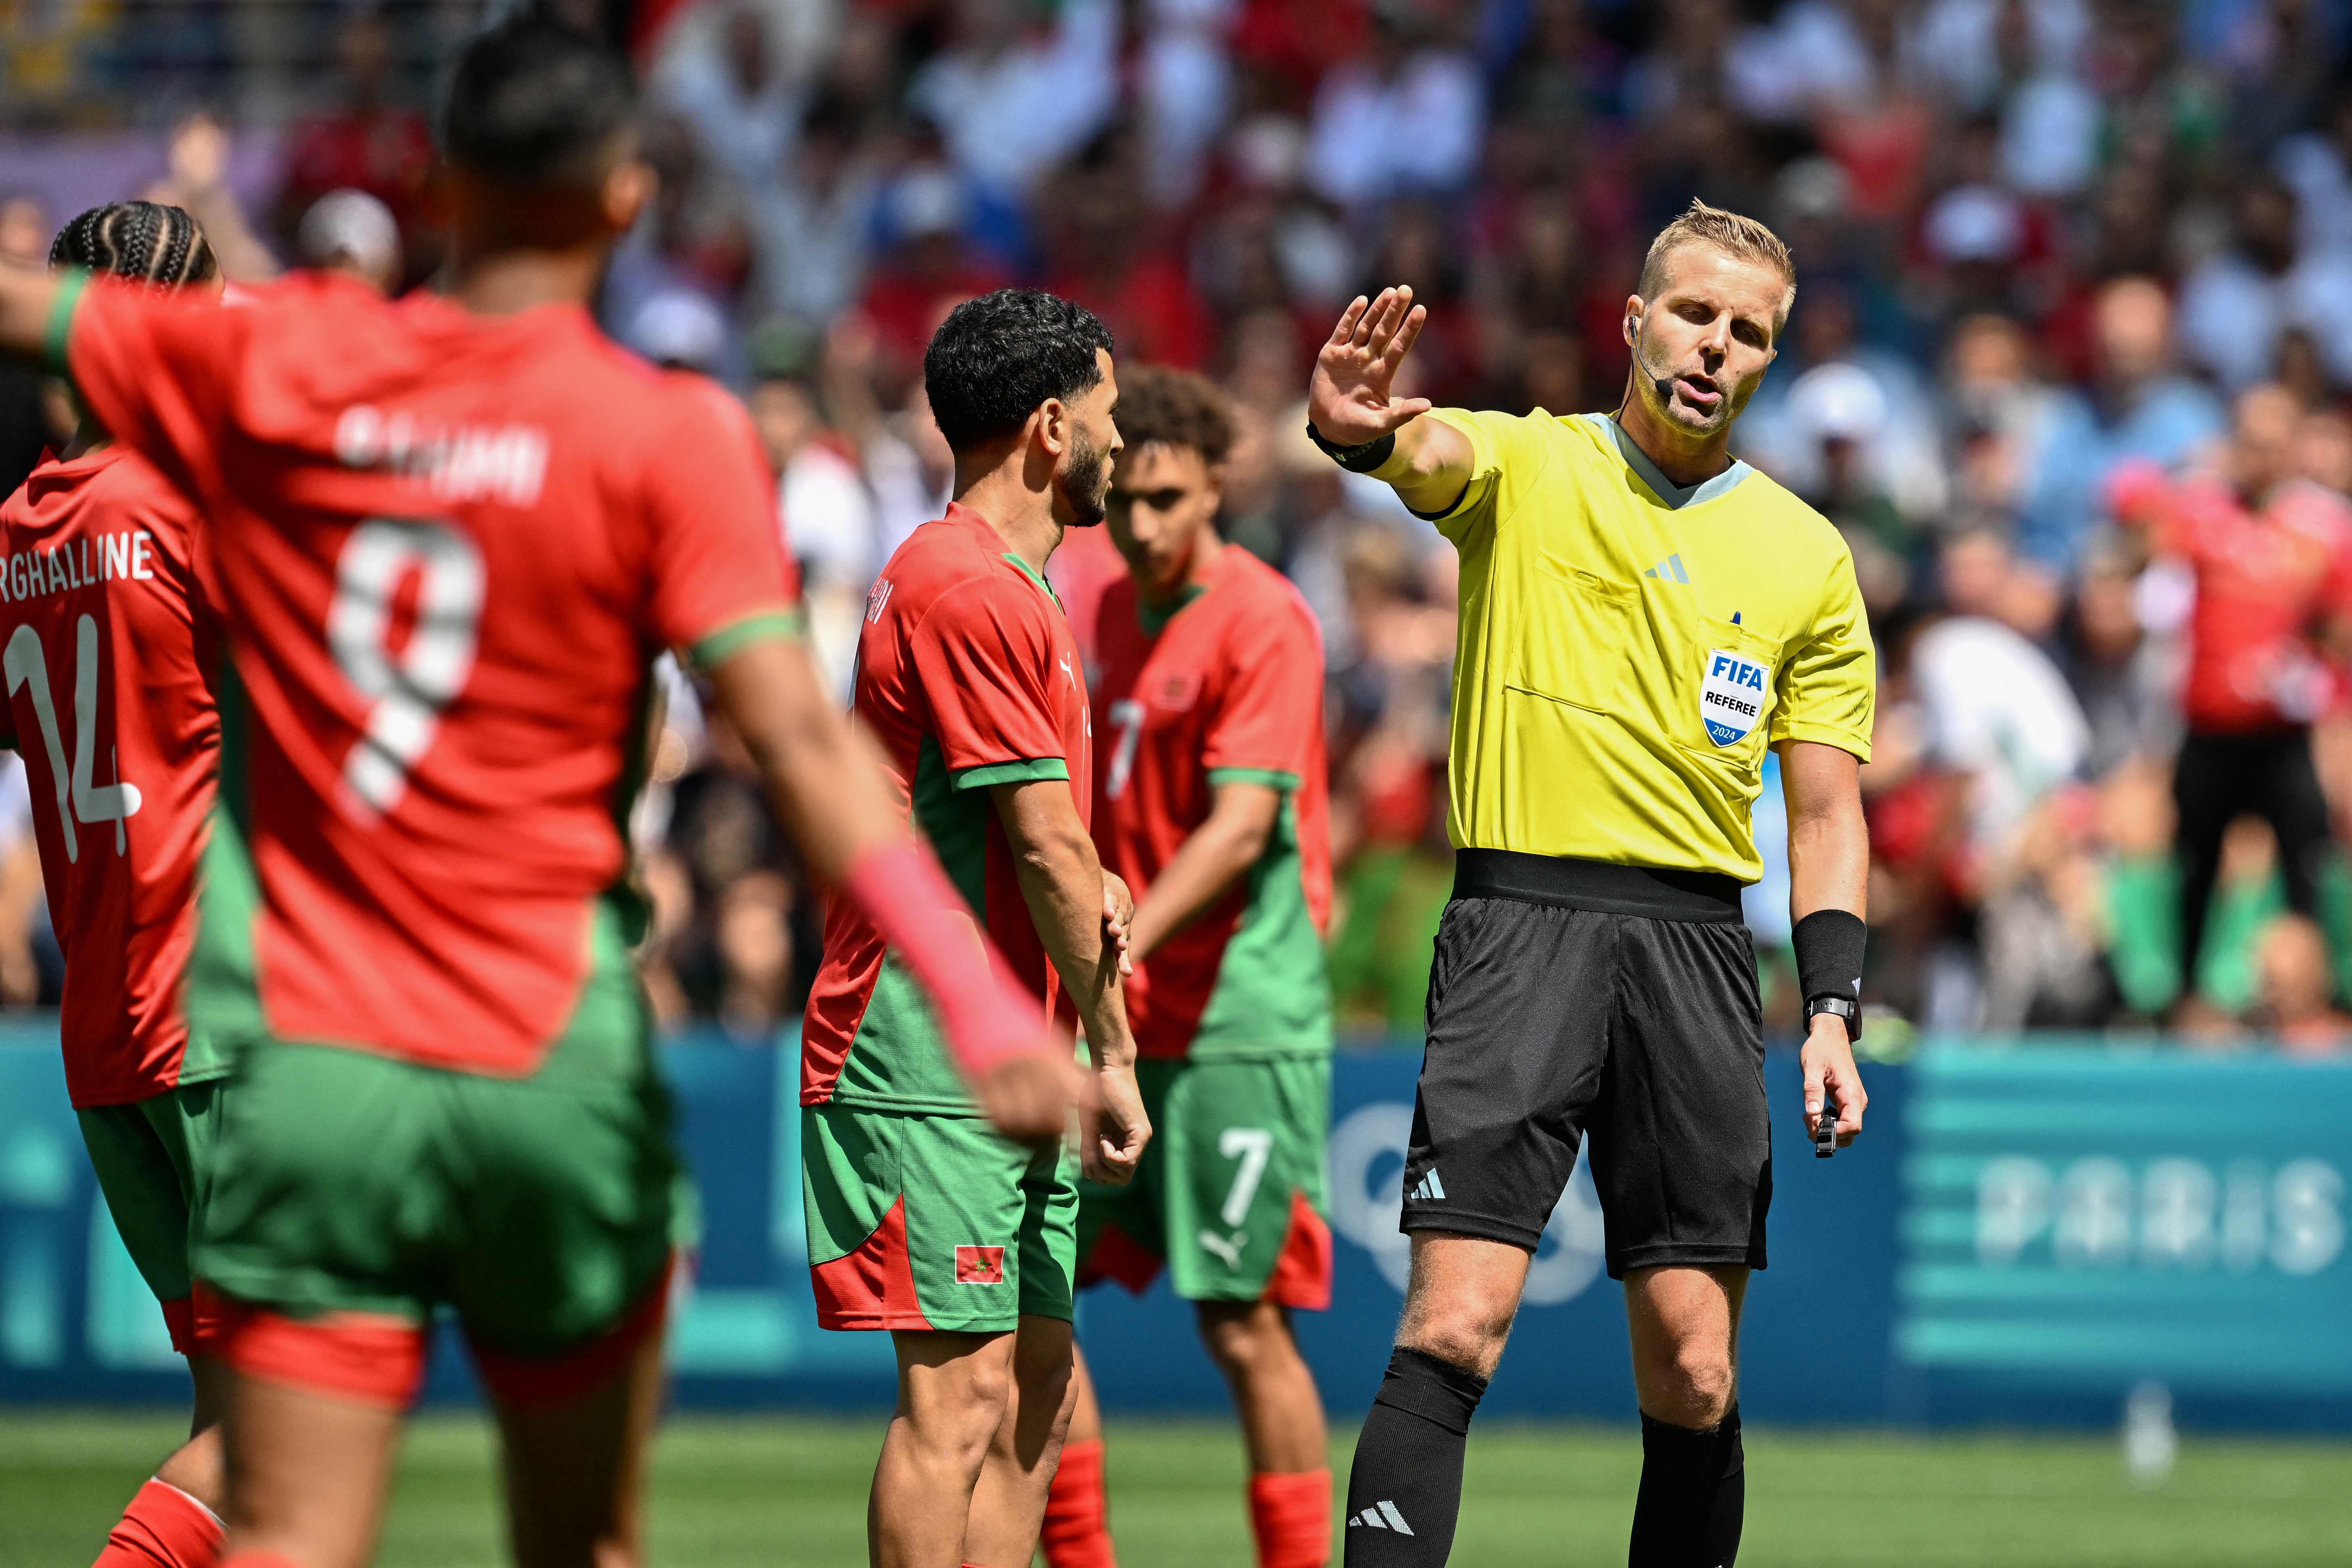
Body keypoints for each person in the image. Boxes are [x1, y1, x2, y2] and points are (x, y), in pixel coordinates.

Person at [0, 19, 1075, 1568]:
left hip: (314, 1038)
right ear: (629, 199)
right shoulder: (670, 430)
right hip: (542, 1032)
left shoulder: (284, 361)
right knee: (582, 1535)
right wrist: (977, 989)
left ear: (437, 184)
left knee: (284, 1512)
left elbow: (45, 309)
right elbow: (793, 735)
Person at [1303, 200, 1875, 1566]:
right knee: (1453, 1321)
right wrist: (1354, 423)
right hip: (1520, 928)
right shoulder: (1528, 464)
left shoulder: (1808, 556)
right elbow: (1417, 446)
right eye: (1692, 312)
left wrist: (1837, 1003)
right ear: (1632, 319)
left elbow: (1831, 804)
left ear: (1768, 360)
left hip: (1694, 955)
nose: (1714, 345)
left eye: (1748, 332)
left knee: (1693, 1369)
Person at [798, 287, 1151, 1568]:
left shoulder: (995, 582)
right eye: (1110, 416)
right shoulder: (970, 589)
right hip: (924, 1047)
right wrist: (1113, 1049)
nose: (1121, 441)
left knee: (1033, 1391)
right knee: (955, 1406)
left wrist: (1091, 893)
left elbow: (1032, 839)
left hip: (1004, 1054)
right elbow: (1045, 845)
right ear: (1053, 428)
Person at [1043, 367, 1336, 1568]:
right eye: (1127, 503)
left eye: (1167, 499)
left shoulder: (1266, 619)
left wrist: (1117, 941)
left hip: (1235, 1020)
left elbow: (1238, 829)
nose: (1145, 526)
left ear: (1218, 484)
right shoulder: (1103, 608)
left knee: (1242, 1321)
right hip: (1119, 1017)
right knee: (1030, 1296)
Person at [0, 201, 227, 1568]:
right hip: (222, 1012)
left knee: (236, 1404)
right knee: (287, 1418)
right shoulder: (191, 505)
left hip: (107, 1019)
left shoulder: (20, 525)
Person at [2109, 383, 2352, 1010]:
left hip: (2283, 734)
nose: (2262, 456)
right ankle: (2187, 998)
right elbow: (2138, 535)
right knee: (2195, 869)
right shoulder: (2201, 512)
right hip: (2210, 730)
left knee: (2306, 868)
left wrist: (2307, 663)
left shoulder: (2322, 528)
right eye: (2251, 442)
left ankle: (2310, 1002)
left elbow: (2339, 625)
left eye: (2275, 443)